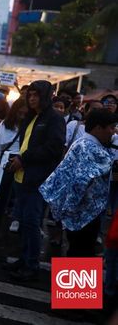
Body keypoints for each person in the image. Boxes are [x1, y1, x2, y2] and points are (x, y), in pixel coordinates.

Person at [5, 80, 65, 282]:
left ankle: (31, 264)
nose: (32, 98)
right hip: (21, 177)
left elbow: (54, 147)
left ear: (46, 96)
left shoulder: (54, 118)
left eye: (36, 95)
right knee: (23, 222)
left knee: (32, 223)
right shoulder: (31, 117)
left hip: (37, 179)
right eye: (30, 94)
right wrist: (19, 159)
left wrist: (25, 158)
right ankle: (23, 259)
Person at [40, 109, 118, 257]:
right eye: (111, 127)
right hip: (83, 215)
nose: (113, 132)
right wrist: (69, 211)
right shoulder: (90, 148)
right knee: (80, 255)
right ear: (98, 128)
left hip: (80, 213)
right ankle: (75, 281)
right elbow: (79, 183)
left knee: (77, 253)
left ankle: (73, 280)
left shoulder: (84, 143)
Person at [0, 98, 29, 243]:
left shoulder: (32, 126)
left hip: (25, 163)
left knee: (22, 200)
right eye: (21, 108)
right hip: (7, 163)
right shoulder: (5, 124)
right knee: (1, 200)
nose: (23, 111)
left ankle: (20, 234)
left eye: (26, 109)